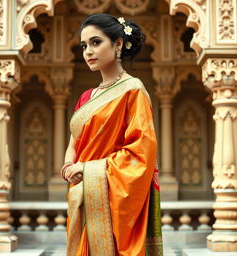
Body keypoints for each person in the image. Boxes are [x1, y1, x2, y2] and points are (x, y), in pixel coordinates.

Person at [61, 13, 163, 256]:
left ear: (118, 44)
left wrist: (87, 168)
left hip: (113, 201)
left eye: (96, 43)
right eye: (84, 45)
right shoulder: (86, 98)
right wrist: (68, 166)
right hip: (82, 195)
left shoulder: (133, 90)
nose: (88, 52)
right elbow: (74, 142)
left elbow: (141, 152)